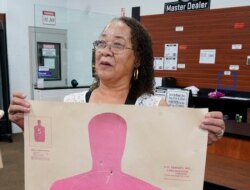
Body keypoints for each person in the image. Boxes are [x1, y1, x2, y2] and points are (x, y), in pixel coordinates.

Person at [8, 16, 225, 144]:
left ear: (138, 59)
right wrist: (25, 124)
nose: (106, 51)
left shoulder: (153, 106)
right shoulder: (72, 103)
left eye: (118, 45)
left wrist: (201, 138)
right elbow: (56, 150)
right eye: (101, 43)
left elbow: (171, 151)